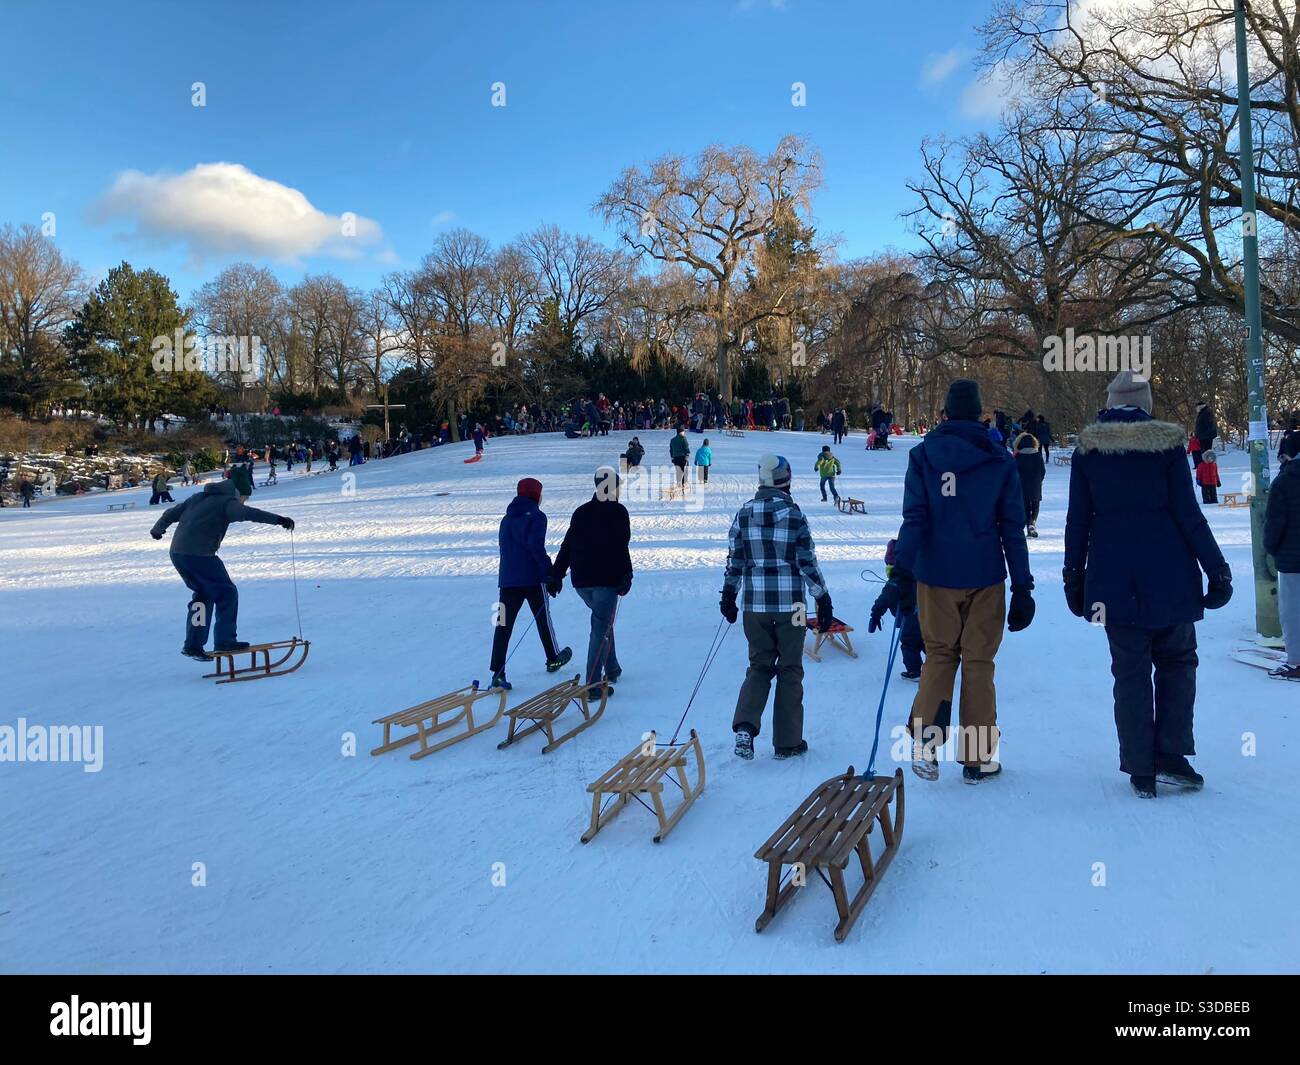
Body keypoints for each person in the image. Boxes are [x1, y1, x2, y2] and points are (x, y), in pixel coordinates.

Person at [1064, 370, 1232, 798]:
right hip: (1171, 575)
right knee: (1177, 662)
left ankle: (1141, 767)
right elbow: (1188, 515)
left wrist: (1073, 576)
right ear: (1146, 404)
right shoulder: (1169, 447)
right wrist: (1217, 569)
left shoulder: (1088, 449)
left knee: (1130, 671)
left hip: (1113, 579)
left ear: (1110, 401)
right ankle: (1172, 756)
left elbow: (1078, 521)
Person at [883, 379, 1034, 784]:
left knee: (939, 656)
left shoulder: (923, 456)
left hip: (935, 577)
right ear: (980, 414)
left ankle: (925, 745)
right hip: (984, 575)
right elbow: (1012, 529)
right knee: (979, 664)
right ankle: (978, 758)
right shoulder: (1000, 459)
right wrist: (1023, 586)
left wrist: (901, 575)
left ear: (946, 414)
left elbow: (915, 520)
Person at [721, 454, 833, 761]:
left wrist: (729, 595)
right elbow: (806, 561)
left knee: (759, 666)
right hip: (792, 606)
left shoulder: (744, 513)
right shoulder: (793, 514)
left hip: (755, 606)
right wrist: (822, 597)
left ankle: (745, 726)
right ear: (787, 479)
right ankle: (787, 742)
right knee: (790, 669)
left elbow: (736, 561)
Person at [150, 479, 295, 660]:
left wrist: (157, 530)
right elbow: (250, 514)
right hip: (201, 555)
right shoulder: (226, 502)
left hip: (178, 554)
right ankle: (225, 641)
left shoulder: (197, 498)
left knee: (203, 596)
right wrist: (279, 520)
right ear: (236, 494)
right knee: (226, 593)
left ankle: (193, 645)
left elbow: (169, 514)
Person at [549, 467, 632, 694]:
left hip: (582, 582)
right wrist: (627, 574)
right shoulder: (618, 511)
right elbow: (621, 547)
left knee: (602, 623)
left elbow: (567, 545)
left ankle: (612, 668)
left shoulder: (581, 512)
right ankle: (594, 686)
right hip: (605, 580)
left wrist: (557, 574)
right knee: (600, 629)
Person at [487, 478, 571, 690]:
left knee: (503, 624)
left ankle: (497, 672)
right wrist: (550, 573)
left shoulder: (506, 519)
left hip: (507, 581)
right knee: (543, 619)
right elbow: (536, 547)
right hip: (533, 579)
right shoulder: (537, 516)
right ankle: (553, 657)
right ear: (535, 494)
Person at [1264, 449, 1300, 679]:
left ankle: (1297, 661)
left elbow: (1274, 522)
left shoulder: (1285, 482)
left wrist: (1271, 548)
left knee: (1294, 611)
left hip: (1293, 558)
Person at [869, 536, 925, 680]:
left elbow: (884, 599)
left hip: (910, 618)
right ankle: (940, 666)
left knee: (909, 644)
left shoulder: (896, 580)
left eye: (889, 565)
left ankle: (915, 672)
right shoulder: (919, 571)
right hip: (927, 617)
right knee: (926, 641)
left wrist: (875, 614)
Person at [1013, 430, 1044, 537]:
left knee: (1025, 505)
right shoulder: (1038, 455)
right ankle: (1033, 522)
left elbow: (1014, 471)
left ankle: (1028, 524)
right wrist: (1040, 480)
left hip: (1022, 484)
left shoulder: (1018, 456)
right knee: (1035, 504)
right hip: (1035, 483)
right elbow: (1042, 470)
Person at [1193, 400, 1217, 468]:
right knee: (1204, 452)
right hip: (1203, 437)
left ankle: (1208, 465)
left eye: (1196, 407)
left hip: (1206, 437)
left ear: (1199, 407)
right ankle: (1206, 465)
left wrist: (1203, 434)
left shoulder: (1206, 413)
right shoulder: (1203, 413)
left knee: (1206, 452)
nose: (1196, 409)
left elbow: (1209, 425)